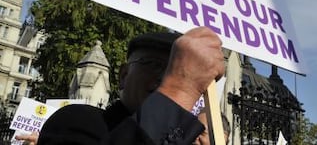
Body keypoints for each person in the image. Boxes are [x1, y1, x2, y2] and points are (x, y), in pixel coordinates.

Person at [24, 26, 224, 144]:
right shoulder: (76, 120)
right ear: (124, 75)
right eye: (155, 65)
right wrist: (180, 87)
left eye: (176, 68)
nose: (167, 76)